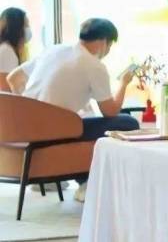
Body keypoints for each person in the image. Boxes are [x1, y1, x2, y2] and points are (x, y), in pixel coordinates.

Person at [6, 18, 139, 202]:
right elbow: (110, 111)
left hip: (24, 131)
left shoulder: (54, 50)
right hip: (51, 134)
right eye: (110, 46)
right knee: (128, 122)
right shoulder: (94, 66)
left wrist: (27, 109)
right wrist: (124, 83)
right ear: (103, 42)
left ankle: (72, 180)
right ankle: (88, 182)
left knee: (80, 122)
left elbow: (13, 78)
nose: (108, 51)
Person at [0, 7, 30, 92]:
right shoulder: (7, 52)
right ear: (17, 28)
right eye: (26, 26)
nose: (28, 29)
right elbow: (6, 91)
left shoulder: (6, 49)